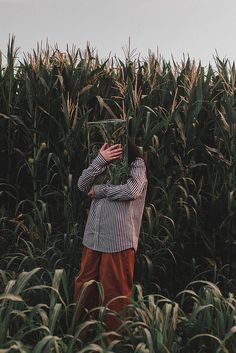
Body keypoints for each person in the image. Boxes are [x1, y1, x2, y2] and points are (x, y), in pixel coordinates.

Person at [73, 138, 148, 335]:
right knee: (84, 288)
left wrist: (101, 190)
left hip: (117, 241)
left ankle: (113, 342)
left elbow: (133, 190)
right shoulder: (101, 162)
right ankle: (81, 337)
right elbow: (81, 185)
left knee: (115, 295)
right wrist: (100, 159)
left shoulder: (136, 163)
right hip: (93, 237)